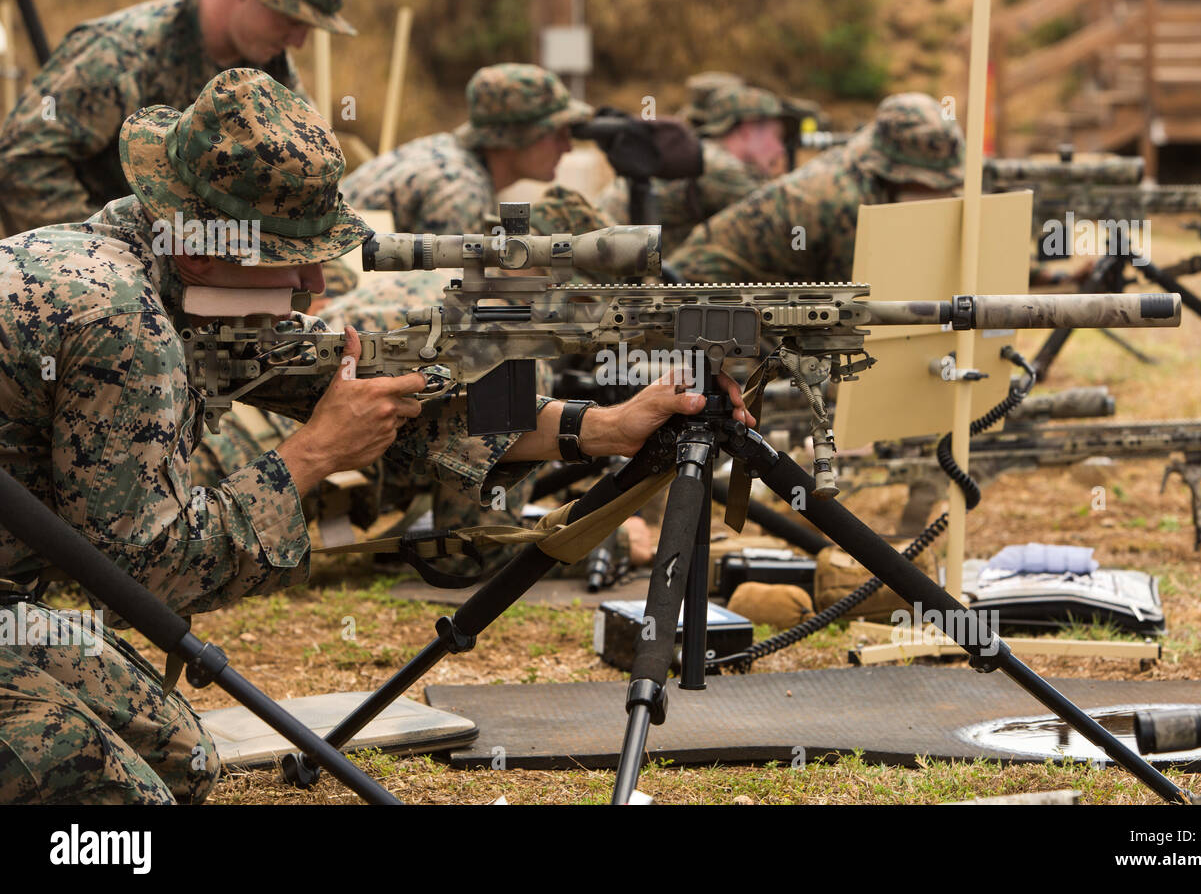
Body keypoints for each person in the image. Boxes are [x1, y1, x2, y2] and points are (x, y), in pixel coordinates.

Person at [0, 68, 751, 804]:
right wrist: (314, 455)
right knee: (112, 793)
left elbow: (417, 399)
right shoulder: (118, 318)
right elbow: (147, 574)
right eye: (290, 262)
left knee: (182, 758)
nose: (315, 289)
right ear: (204, 246)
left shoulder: (180, 282)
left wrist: (605, 428)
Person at [0, 0, 356, 235]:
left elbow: (303, 183)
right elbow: (21, 163)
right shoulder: (122, 53)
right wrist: (111, 249)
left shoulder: (268, 68)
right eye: (291, 19)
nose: (299, 41)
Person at [666, 93, 964, 283]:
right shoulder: (843, 201)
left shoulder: (862, 172)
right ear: (896, 172)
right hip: (701, 302)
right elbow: (853, 310)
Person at [341, 63, 593, 236]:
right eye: (557, 133)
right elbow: (438, 297)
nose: (567, 147)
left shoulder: (446, 151)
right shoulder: (463, 192)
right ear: (515, 136)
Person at [595, 82, 788, 251]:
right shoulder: (720, 166)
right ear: (748, 130)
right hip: (611, 251)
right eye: (776, 136)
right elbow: (778, 223)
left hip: (616, 244)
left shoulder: (707, 154)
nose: (780, 148)